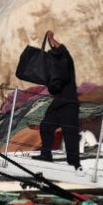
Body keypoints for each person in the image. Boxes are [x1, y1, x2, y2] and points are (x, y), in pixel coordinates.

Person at [33, 31, 82, 170]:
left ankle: (74, 164)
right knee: (46, 125)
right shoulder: (55, 71)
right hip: (59, 103)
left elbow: (62, 49)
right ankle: (46, 154)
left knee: (70, 133)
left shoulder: (66, 60)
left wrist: (51, 39)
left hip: (69, 104)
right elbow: (53, 88)